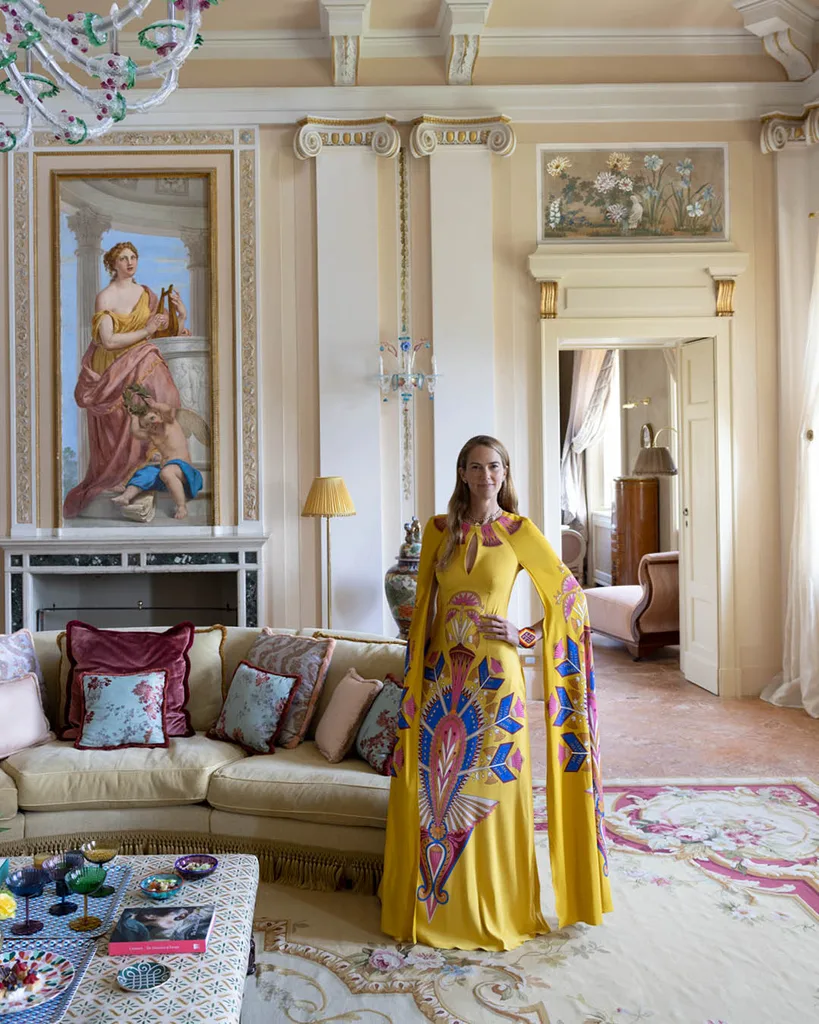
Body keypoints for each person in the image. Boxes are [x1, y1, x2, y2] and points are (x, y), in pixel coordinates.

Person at [381, 435, 612, 951]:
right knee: (437, 796)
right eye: (476, 467)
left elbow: (571, 601)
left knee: (493, 788)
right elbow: (421, 615)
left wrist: (525, 635)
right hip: (440, 681)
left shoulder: (519, 532)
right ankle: (433, 904)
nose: (486, 476)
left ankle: (495, 905)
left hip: (495, 682)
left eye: (495, 467)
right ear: (462, 473)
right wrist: (413, 684)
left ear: (505, 474)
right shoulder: (437, 533)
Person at [63, 240, 188, 520]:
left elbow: (163, 333)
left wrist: (179, 313)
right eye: (123, 258)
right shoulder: (105, 297)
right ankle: (122, 472)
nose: (130, 262)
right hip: (112, 366)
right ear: (112, 264)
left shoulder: (146, 294)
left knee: (157, 379)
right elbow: (108, 341)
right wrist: (146, 330)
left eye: (133, 257)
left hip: (140, 357)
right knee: (126, 413)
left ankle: (148, 463)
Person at [112, 392, 203, 520]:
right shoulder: (152, 434)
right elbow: (137, 432)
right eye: (146, 425)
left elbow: (168, 410)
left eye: (152, 419)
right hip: (165, 472)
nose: (151, 426)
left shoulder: (170, 424)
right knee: (144, 473)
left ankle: (181, 506)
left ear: (158, 415)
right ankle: (126, 497)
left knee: (166, 472)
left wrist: (155, 404)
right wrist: (133, 418)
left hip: (185, 472)